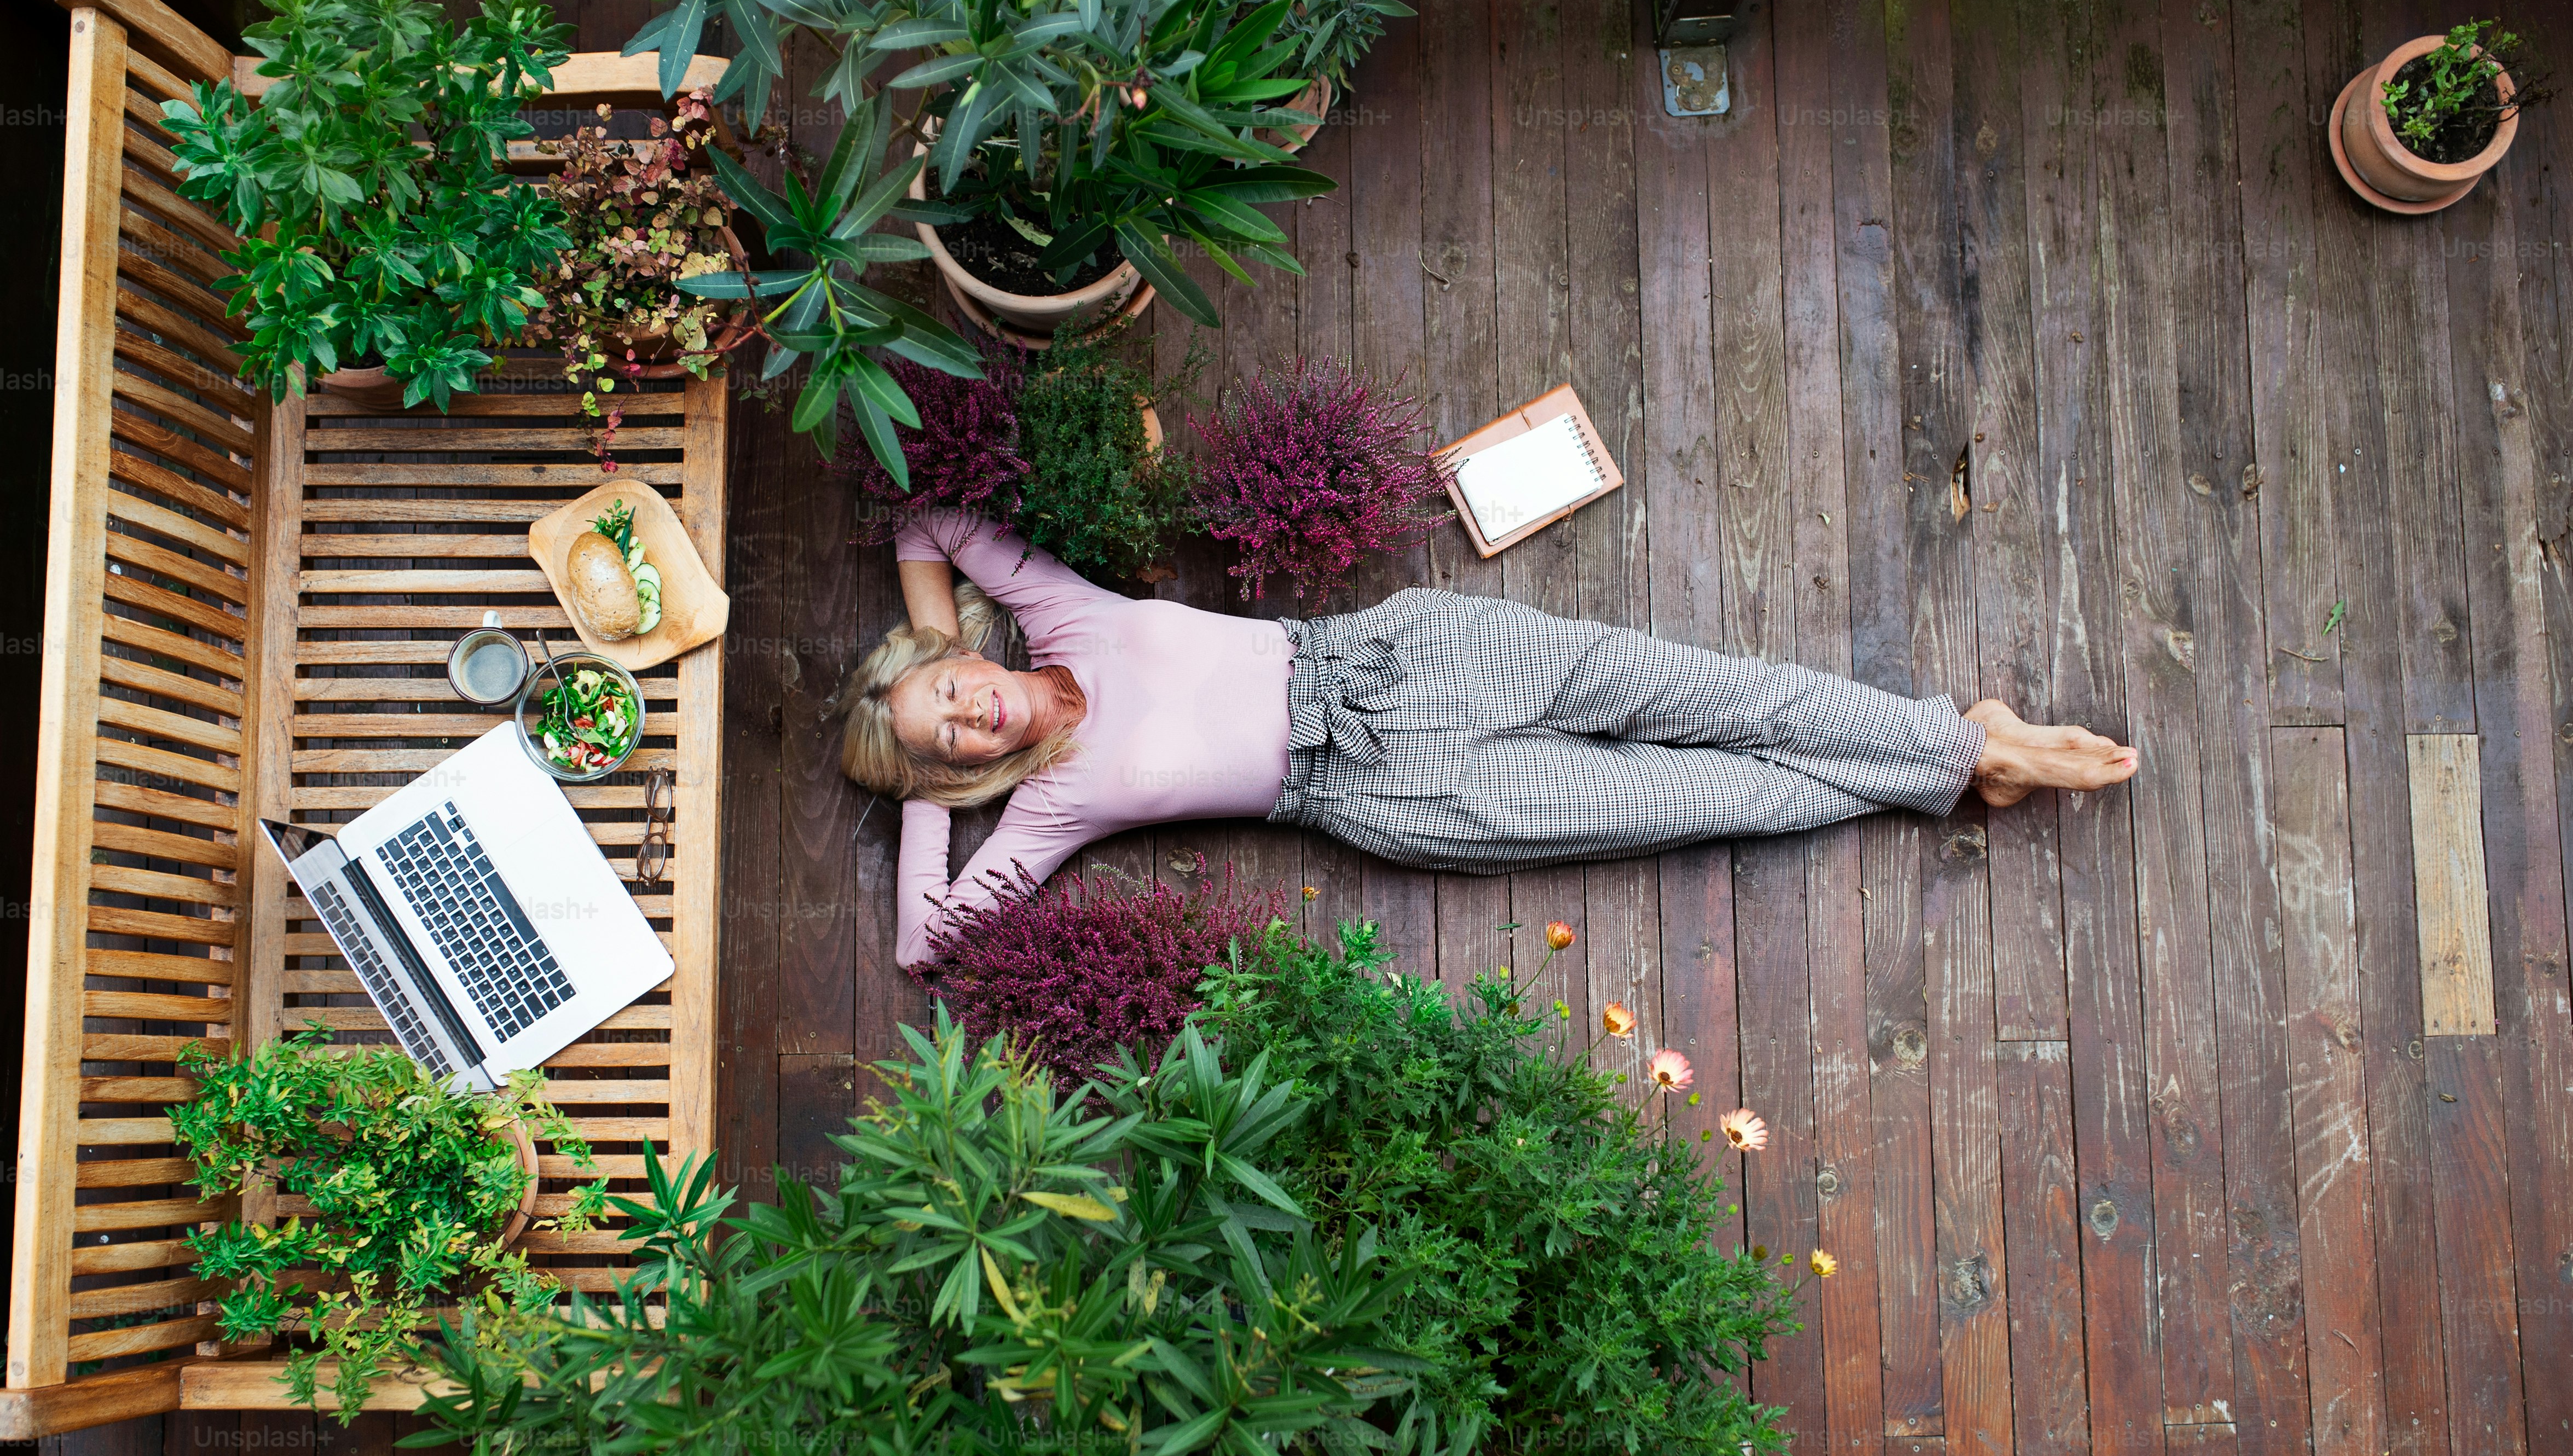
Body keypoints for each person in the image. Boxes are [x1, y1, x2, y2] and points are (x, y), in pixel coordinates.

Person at [842, 511, 2140, 969]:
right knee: (1701, 799)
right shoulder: (1045, 808)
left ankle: (1959, 746)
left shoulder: (1061, 613)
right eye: (945, 742)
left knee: (1714, 692)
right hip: (1392, 791)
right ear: (960, 770)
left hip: (1409, 652)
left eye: (946, 692)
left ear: (965, 656)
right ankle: (1961, 750)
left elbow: (931, 517)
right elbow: (925, 942)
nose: (966, 717)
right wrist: (927, 799)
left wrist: (932, 620)